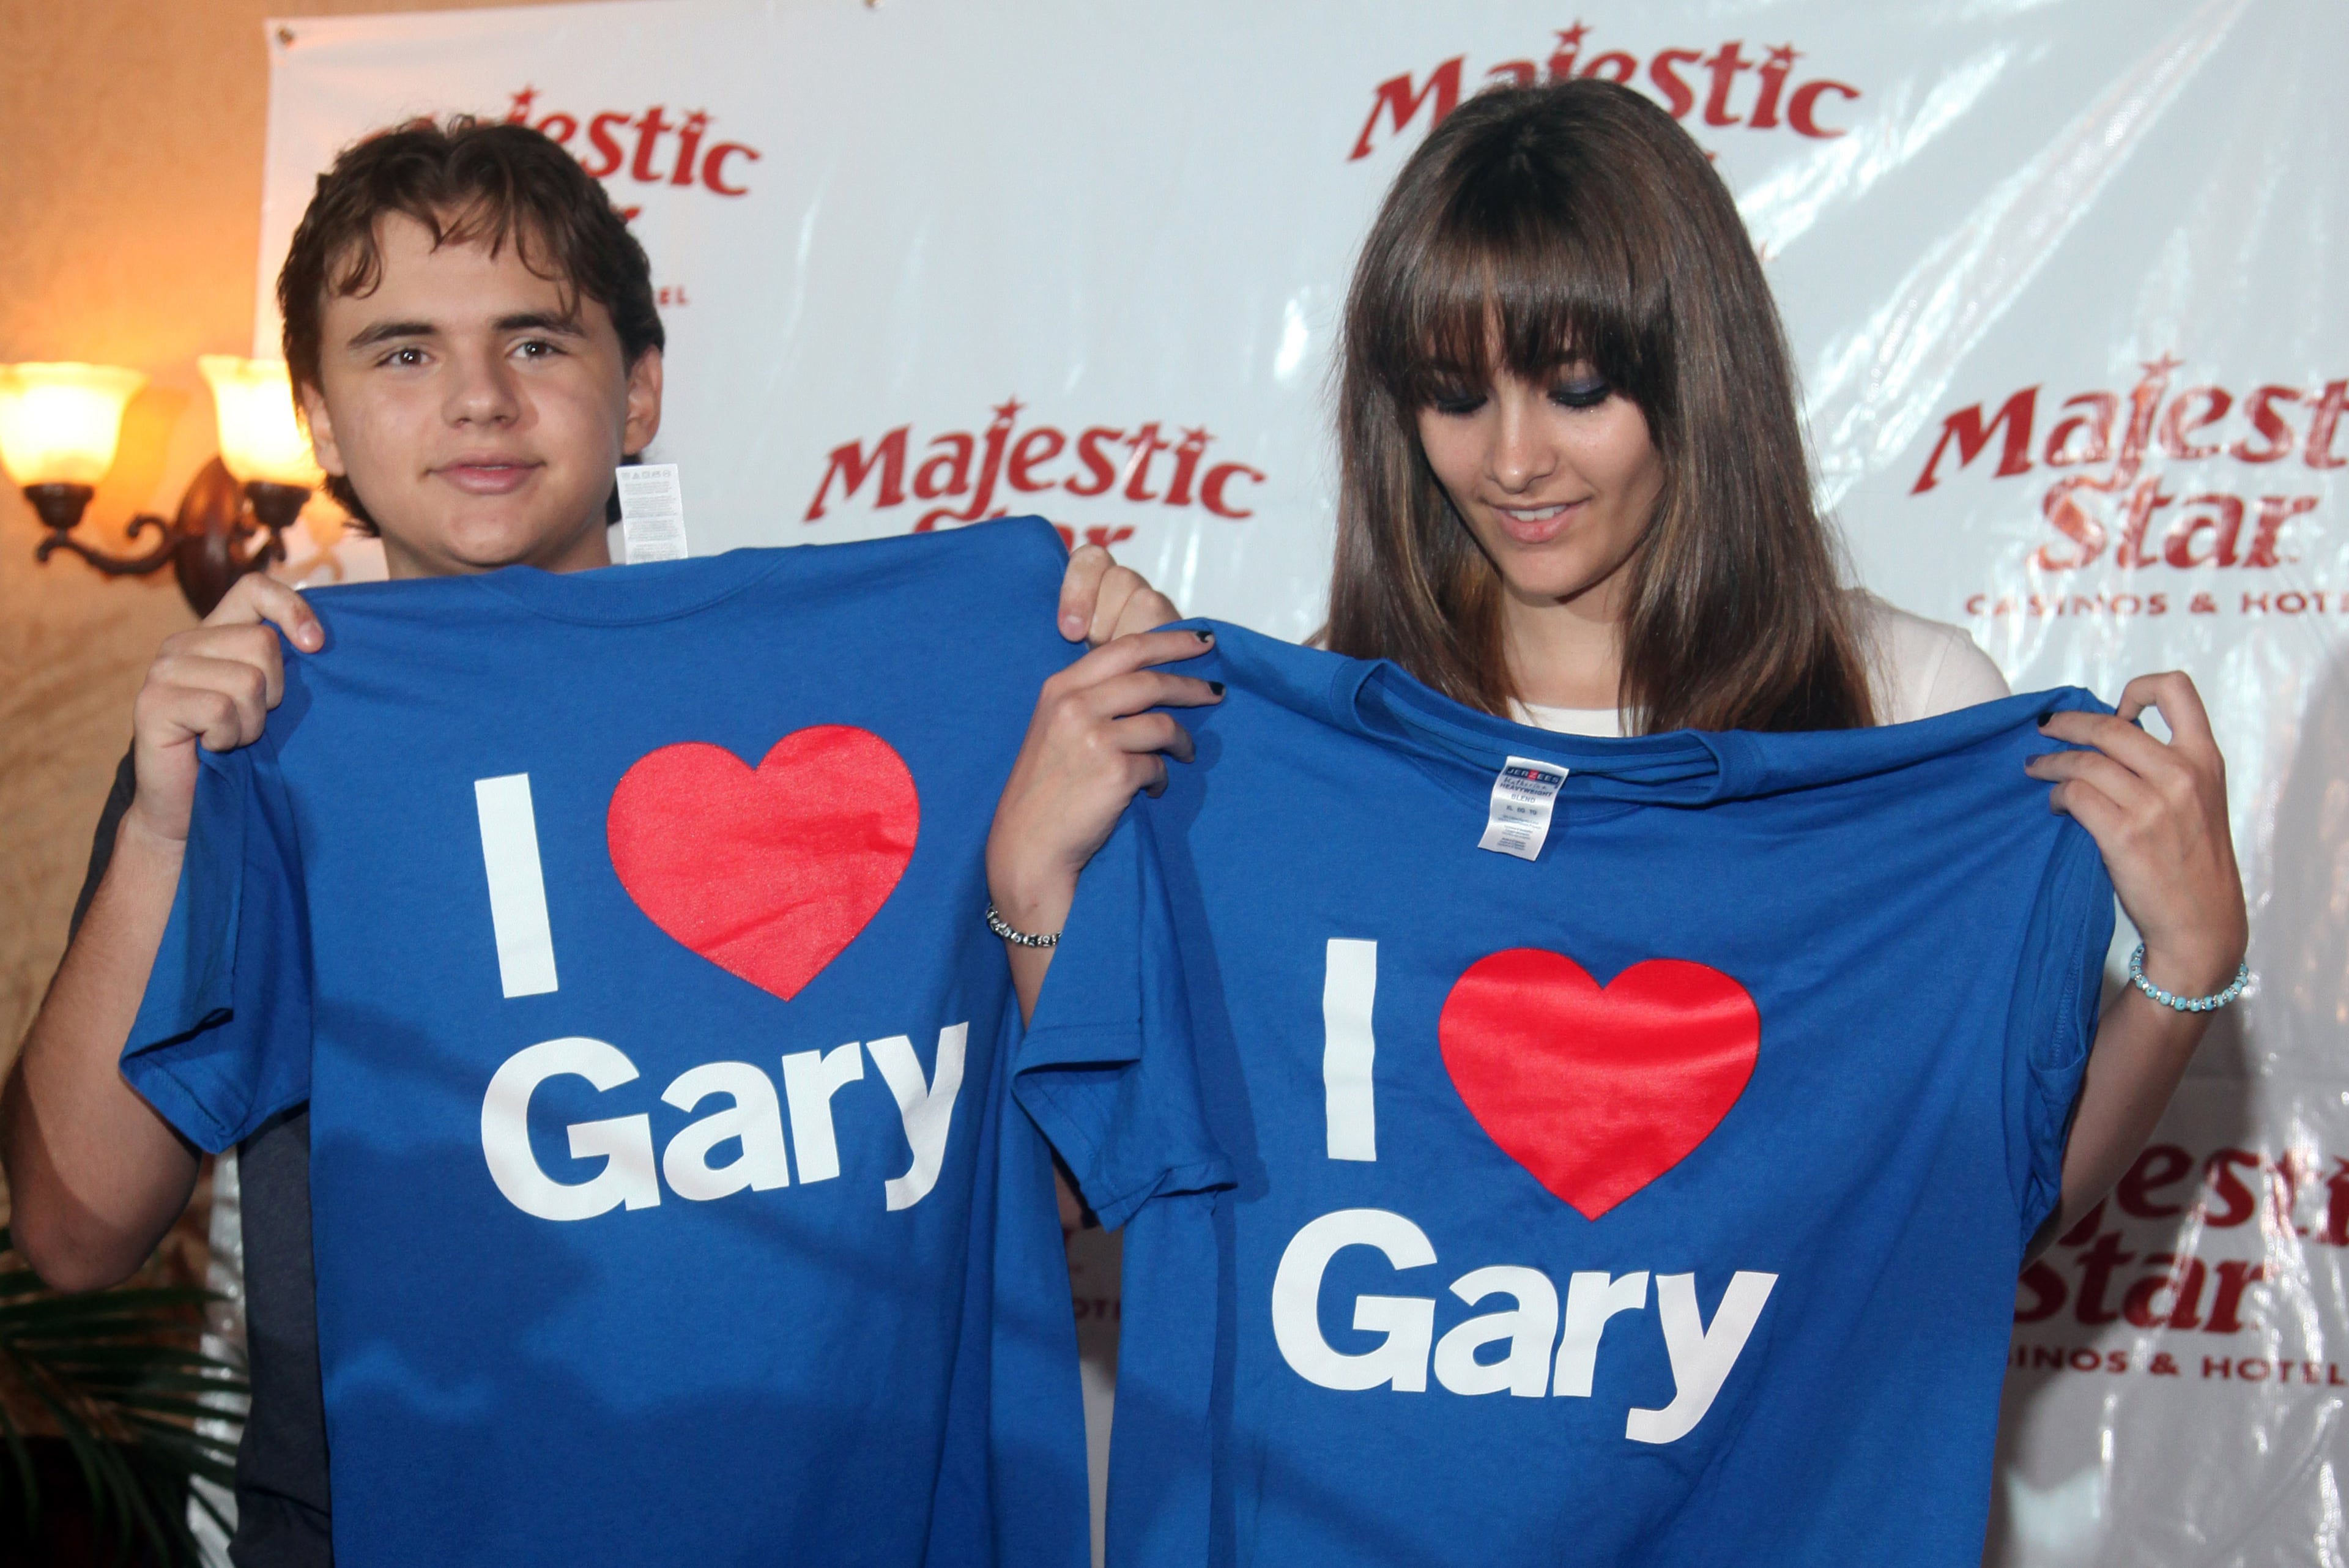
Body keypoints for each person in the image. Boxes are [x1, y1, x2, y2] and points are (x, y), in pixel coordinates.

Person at [1, 116, 1169, 1564]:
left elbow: (1062, 1182)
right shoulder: (264, 735)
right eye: (403, 351)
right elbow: (71, 1234)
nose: (479, 400)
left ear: (639, 394)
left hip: (859, 1511)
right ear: (316, 418)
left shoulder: (904, 693)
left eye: (538, 342)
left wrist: (1056, 804)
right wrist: (172, 816)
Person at [987, 77, 2245, 1252]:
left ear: (1697, 377)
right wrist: (1034, 882)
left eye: (1576, 387)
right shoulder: (1324, 738)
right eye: (1454, 396)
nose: (1514, 460)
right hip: (1397, 1485)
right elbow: (1118, 1185)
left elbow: (1978, 1218)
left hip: (1762, 1487)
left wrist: (2185, 968)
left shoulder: (1905, 704)